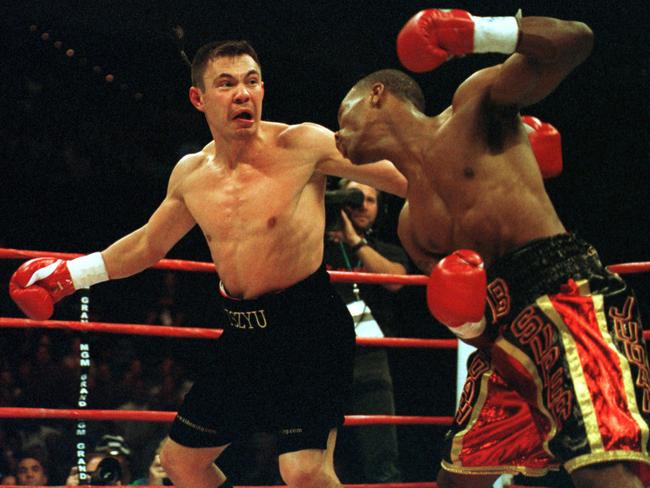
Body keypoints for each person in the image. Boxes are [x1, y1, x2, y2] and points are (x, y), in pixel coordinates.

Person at [8, 40, 407, 488]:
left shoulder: (304, 144)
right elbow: (145, 245)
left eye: (252, 81)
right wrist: (71, 275)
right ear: (199, 98)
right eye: (227, 83)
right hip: (243, 336)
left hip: (309, 328)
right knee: (181, 463)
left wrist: (462, 205)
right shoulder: (191, 174)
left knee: (304, 471)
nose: (243, 93)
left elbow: (404, 178)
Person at [335, 8, 650, 488]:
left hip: (566, 298)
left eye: (343, 115)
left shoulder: (472, 108)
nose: (337, 133)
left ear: (377, 95)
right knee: (457, 481)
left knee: (604, 474)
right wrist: (467, 318)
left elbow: (577, 41)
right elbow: (474, 330)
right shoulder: (410, 227)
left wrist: (480, 32)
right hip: (504, 344)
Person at [323, 179, 408, 483]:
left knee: (383, 459)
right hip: (323, 356)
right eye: (355, 198)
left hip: (371, 359)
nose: (362, 206)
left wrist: (354, 241)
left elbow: (395, 280)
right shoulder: (315, 247)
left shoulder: (386, 251)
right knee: (316, 458)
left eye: (370, 200)